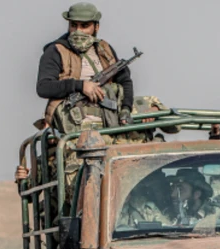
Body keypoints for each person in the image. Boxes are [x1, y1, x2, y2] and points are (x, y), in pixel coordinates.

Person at [15, 2, 134, 183]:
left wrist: (126, 109)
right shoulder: (56, 51)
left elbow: (125, 81)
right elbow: (43, 87)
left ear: (96, 27)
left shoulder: (104, 50)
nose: (78, 31)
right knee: (82, 178)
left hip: (111, 128)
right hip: (74, 135)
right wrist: (80, 86)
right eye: (74, 25)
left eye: (84, 26)